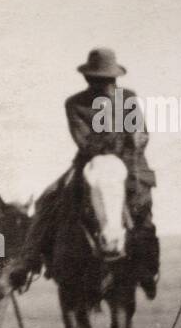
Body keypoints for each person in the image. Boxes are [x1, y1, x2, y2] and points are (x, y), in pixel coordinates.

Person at [8, 48, 159, 296]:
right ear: (88, 79)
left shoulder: (128, 98)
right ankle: (30, 259)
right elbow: (85, 142)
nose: (105, 85)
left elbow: (142, 135)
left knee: (144, 212)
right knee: (48, 198)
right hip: (90, 164)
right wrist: (118, 140)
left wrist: (135, 140)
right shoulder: (75, 103)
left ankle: (147, 268)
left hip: (131, 165)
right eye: (99, 79)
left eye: (108, 79)